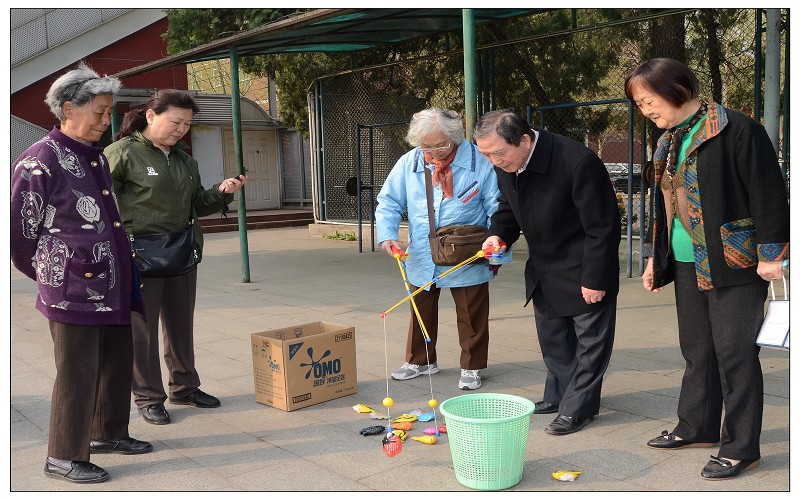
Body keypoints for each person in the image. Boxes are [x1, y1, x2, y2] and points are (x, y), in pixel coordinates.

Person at [624, 58, 790, 480]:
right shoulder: (669, 139)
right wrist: (654, 256)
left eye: (647, 100)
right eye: (639, 104)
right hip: (685, 260)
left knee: (735, 354)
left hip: (734, 261)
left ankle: (740, 447)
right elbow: (662, 204)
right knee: (697, 351)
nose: (645, 110)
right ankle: (696, 427)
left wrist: (772, 255)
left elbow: (769, 193)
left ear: (677, 89)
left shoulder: (738, 129)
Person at [10, 62, 152, 484]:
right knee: (77, 371)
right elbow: (19, 235)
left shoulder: (93, 156)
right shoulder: (40, 159)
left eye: (109, 112)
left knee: (115, 360)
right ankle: (64, 455)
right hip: (72, 286)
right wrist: (56, 274)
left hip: (112, 282)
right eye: (99, 112)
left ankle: (108, 432)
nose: (106, 121)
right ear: (69, 109)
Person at [104, 89, 248, 425]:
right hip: (139, 256)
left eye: (187, 124)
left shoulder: (185, 161)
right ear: (151, 116)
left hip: (182, 252)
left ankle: (184, 388)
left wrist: (220, 193)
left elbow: (196, 204)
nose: (181, 129)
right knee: (142, 332)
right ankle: (148, 397)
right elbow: (101, 202)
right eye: (175, 121)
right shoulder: (121, 153)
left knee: (181, 326)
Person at [474, 110, 621, 435]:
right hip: (543, 266)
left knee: (590, 346)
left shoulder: (578, 162)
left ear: (524, 140)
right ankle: (559, 396)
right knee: (554, 339)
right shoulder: (507, 163)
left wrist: (595, 278)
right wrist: (497, 235)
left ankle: (578, 409)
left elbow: (603, 227)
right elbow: (507, 207)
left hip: (584, 266)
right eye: (486, 155)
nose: (494, 161)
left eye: (498, 153)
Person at [375, 108, 509, 390]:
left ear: (455, 138)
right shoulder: (409, 162)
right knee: (419, 308)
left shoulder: (479, 161)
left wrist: (496, 241)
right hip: (422, 251)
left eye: (441, 145)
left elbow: (497, 206)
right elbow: (389, 201)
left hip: (468, 250)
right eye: (426, 146)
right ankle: (421, 360)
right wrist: (387, 235)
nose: (434, 152)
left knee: (472, 313)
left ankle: (472, 366)